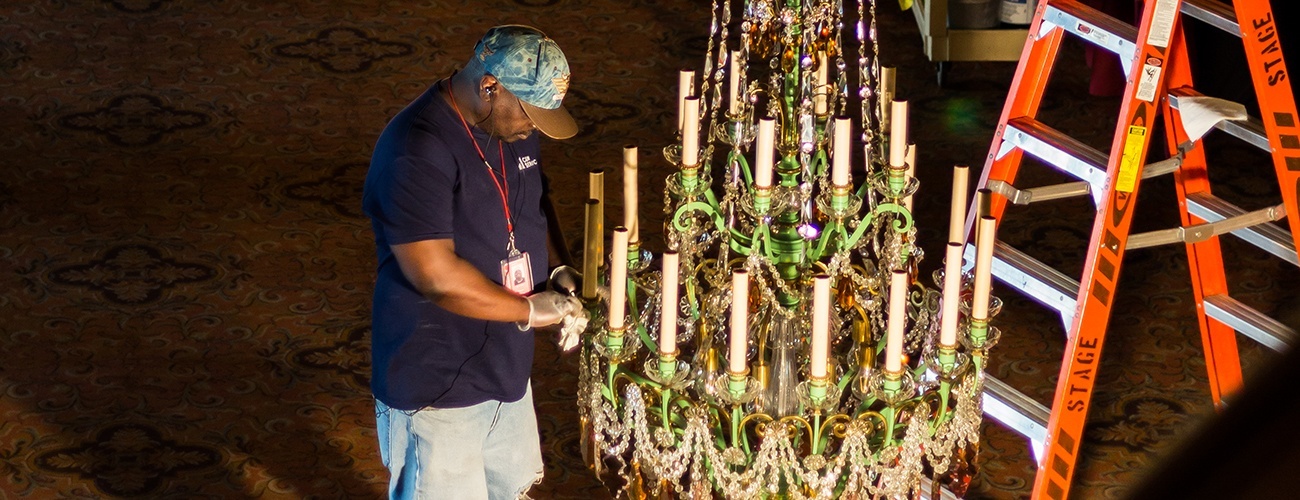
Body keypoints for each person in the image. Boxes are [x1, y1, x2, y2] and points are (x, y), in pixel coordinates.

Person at [362, 25, 583, 499]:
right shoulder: (416, 150)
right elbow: (437, 277)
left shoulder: (509, 125)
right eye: (532, 113)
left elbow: (533, 205)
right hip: (437, 382)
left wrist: (558, 272)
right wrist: (530, 310)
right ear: (490, 87)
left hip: (504, 371)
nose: (535, 127)